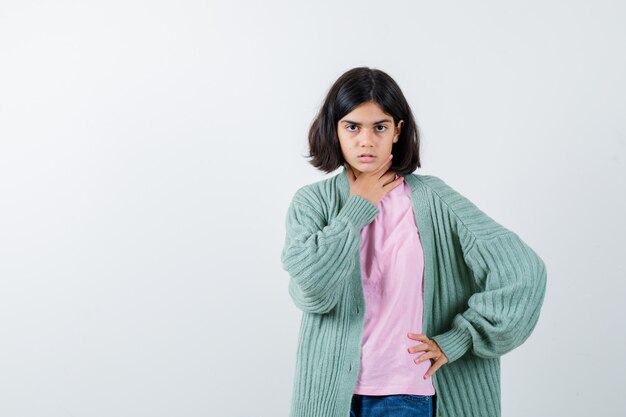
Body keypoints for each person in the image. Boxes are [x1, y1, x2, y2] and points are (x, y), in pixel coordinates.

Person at [280, 67, 547, 417]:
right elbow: (313, 289)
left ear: (397, 130)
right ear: (335, 129)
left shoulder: (434, 199)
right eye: (352, 126)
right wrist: (357, 207)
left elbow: (522, 271)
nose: (366, 140)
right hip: (330, 399)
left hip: (410, 396)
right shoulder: (312, 203)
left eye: (379, 126)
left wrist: (460, 338)